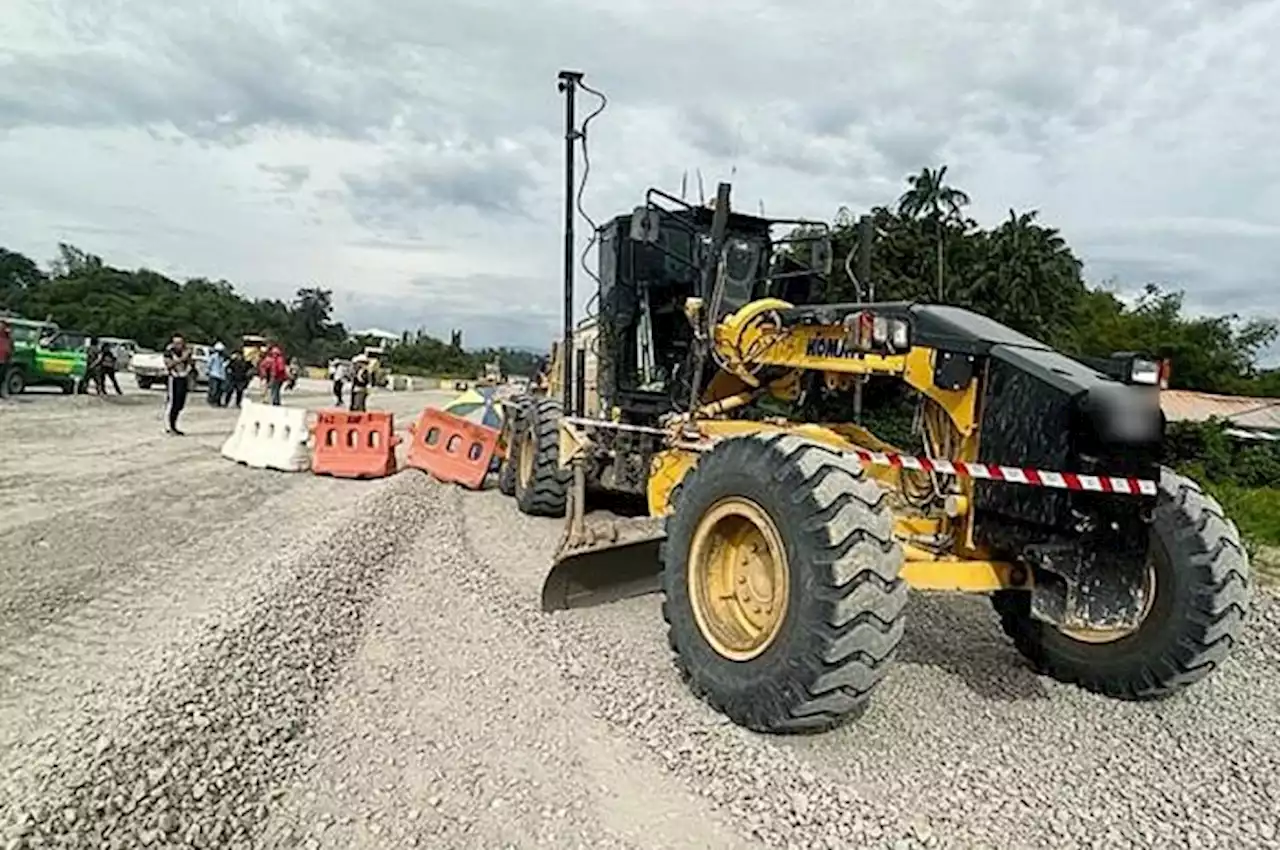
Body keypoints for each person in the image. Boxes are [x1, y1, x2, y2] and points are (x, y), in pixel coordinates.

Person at [162, 333, 194, 435]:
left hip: (183, 377)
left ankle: (174, 425)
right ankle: (170, 426)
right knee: (173, 403)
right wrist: (181, 359)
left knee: (180, 404)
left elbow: (191, 364)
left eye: (180, 343)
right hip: (173, 378)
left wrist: (187, 367)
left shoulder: (187, 352)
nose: (178, 345)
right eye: (176, 343)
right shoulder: (169, 352)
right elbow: (169, 364)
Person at [206, 342, 228, 406]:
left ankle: (218, 401)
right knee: (214, 389)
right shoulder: (213, 357)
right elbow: (209, 364)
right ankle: (212, 401)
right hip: (214, 374)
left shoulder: (224, 358)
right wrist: (208, 371)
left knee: (220, 390)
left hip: (221, 376)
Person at [0, 320, 12, 399]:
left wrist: (10, 357)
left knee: (2, 377)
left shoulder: (8, 337)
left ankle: (2, 392)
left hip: (4, 360)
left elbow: (11, 348)